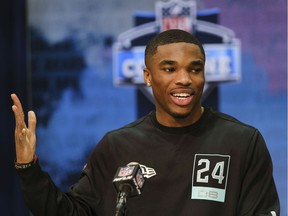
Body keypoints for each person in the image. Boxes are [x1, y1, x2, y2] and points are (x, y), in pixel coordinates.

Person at [11, 29, 280, 216]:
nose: (184, 79)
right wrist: (28, 168)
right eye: (170, 69)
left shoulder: (242, 142)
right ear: (148, 77)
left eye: (194, 69)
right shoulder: (117, 146)